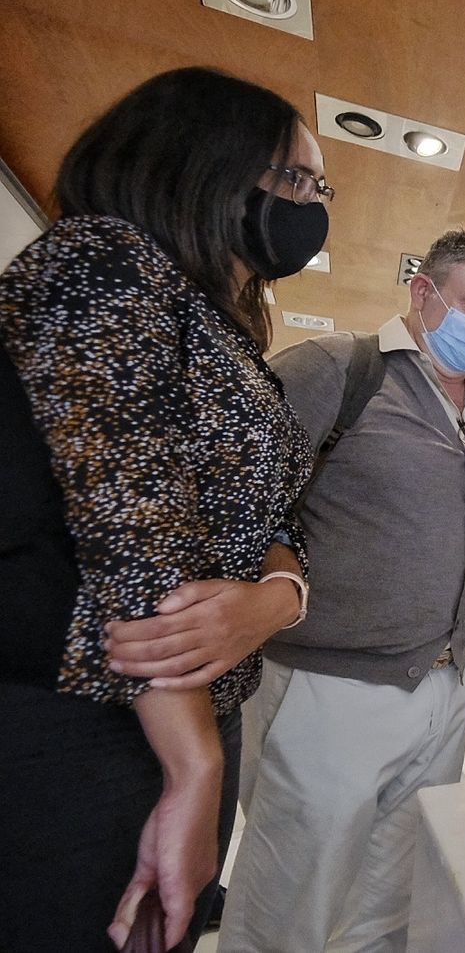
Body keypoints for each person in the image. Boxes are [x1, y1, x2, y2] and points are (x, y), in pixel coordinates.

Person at [0, 67, 327, 951]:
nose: (311, 204)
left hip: (203, 712)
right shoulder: (102, 258)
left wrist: (277, 598)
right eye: (296, 177)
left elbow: (279, 519)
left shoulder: (228, 334)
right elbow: (131, 521)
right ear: (203, 158)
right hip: (93, 720)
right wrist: (194, 763)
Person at [218, 229, 465, 953]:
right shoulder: (340, 368)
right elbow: (235, 494)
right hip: (330, 684)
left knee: (391, 901)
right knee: (290, 901)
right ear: (423, 291)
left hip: (445, 683)